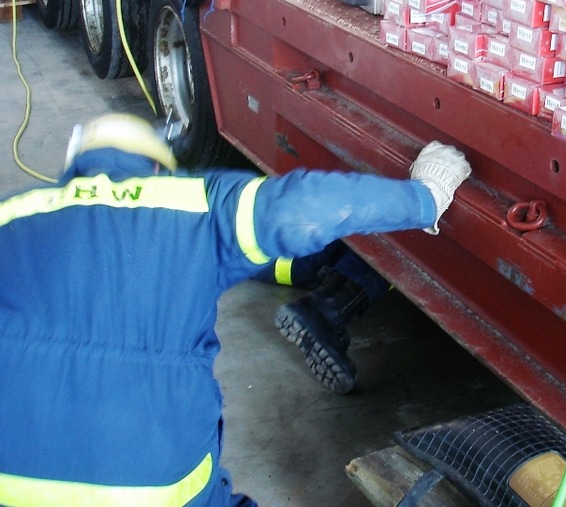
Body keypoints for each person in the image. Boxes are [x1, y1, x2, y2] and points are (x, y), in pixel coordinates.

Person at [0, 112, 471, 507]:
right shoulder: (193, 203)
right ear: (158, 167)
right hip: (154, 485)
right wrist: (423, 198)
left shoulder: (12, 215)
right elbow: (301, 207)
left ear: (73, 162)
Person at [259, 243, 392, 394]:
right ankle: (327, 308)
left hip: (252, 256)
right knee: (397, 235)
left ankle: (331, 301)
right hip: (288, 252)